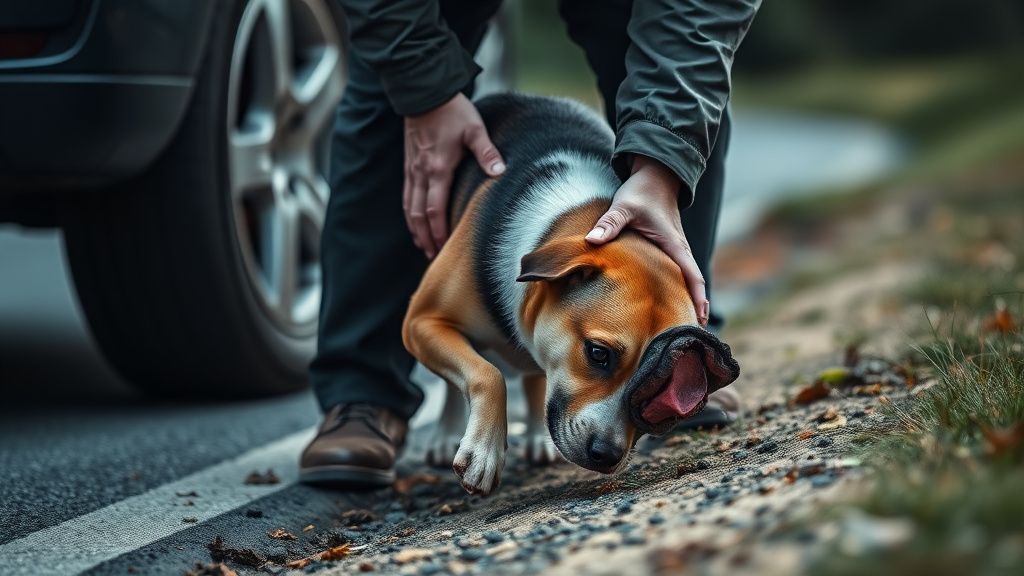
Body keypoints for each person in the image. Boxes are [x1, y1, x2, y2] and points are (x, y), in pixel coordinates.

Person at [300, 0, 761, 486]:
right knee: (388, 92)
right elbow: (432, 322)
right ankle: (361, 391)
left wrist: (662, 168)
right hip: (505, 178)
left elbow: (697, 24)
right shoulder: (537, 264)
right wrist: (425, 90)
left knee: (683, 95)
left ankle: (680, 364)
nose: (610, 441)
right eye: (600, 358)